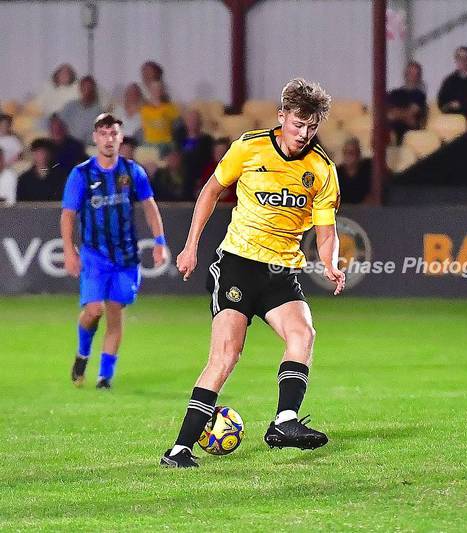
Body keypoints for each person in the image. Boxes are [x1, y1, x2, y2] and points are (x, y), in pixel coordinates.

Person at [160, 78, 345, 468]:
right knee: (227, 355)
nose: (303, 134)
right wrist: (191, 246)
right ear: (282, 117)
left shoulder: (322, 169)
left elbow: (326, 231)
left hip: (281, 272)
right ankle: (179, 449)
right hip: (237, 266)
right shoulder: (249, 147)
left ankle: (284, 421)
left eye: (311, 127)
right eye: (298, 124)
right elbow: (211, 191)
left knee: (303, 334)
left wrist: (331, 261)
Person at [61, 113, 167, 389]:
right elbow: (68, 214)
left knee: (115, 312)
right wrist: (69, 250)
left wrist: (160, 242)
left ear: (120, 138)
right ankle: (83, 353)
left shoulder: (132, 172)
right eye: (103, 134)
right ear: (95, 138)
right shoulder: (82, 174)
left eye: (113, 134)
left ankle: (104, 377)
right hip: (95, 255)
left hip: (126, 258)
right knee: (93, 310)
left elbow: (150, 207)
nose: (109, 139)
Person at [437, 46, 467, 117]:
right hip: (457, 118)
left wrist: (462, 104)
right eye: (460, 58)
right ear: (456, 60)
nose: (463, 61)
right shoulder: (449, 80)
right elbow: (441, 104)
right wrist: (450, 105)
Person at [387, 61, 427, 142]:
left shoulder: (419, 95)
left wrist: (396, 114)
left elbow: (412, 113)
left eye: (416, 74)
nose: (413, 76)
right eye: (410, 73)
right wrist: (405, 117)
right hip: (392, 129)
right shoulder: (395, 93)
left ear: (419, 76)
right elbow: (388, 114)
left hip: (410, 130)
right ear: (405, 74)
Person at [60, 76, 105, 145]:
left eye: (89, 88)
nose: (87, 91)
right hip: (67, 143)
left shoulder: (98, 111)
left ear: (94, 90)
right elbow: (59, 123)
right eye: (84, 88)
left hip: (87, 146)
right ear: (80, 89)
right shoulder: (70, 106)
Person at [140, 80, 180, 156]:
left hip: (166, 142)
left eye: (158, 89)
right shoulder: (144, 109)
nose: (156, 92)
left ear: (162, 91)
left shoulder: (170, 107)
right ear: (150, 91)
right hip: (149, 142)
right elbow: (143, 127)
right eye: (154, 89)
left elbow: (177, 125)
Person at [337, 137, 371, 204]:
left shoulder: (366, 170)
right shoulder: (337, 173)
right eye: (345, 152)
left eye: (351, 153)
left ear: (358, 154)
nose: (348, 156)